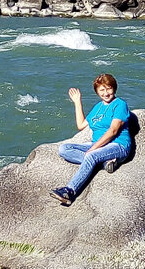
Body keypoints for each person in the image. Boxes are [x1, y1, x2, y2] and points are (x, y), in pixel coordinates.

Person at [50, 72, 132, 206]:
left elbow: (113, 131)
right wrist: (77, 102)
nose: (106, 93)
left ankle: (69, 192)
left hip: (118, 145)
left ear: (114, 88)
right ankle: (103, 163)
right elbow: (81, 125)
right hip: (98, 144)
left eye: (109, 89)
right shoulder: (98, 107)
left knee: (91, 156)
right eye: (102, 90)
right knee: (64, 149)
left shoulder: (120, 104)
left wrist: (93, 149)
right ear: (97, 92)